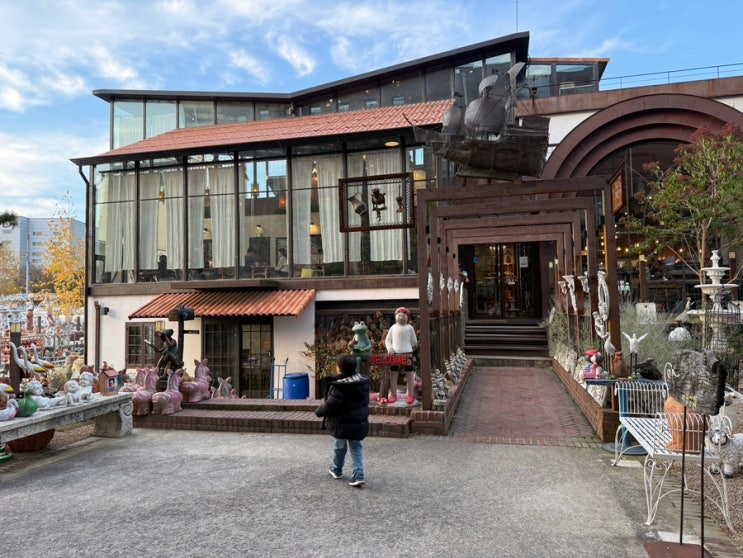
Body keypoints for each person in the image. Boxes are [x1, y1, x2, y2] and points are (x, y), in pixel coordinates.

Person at [315, 353, 370, 487]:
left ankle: (337, 469)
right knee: (356, 447)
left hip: (341, 424)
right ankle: (358, 474)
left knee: (339, 446)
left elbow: (330, 404)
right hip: (358, 422)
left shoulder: (339, 386)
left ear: (339, 368)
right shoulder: (362, 382)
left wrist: (319, 412)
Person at [382, 307, 418, 405]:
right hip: (395, 353)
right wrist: (390, 348)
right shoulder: (393, 327)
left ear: (407, 317)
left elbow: (414, 341)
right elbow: (387, 340)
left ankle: (410, 395)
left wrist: (407, 346)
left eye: (403, 314)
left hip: (407, 353)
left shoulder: (409, 328)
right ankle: (393, 394)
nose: (400, 316)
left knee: (409, 373)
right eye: (398, 314)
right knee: (393, 373)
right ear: (395, 316)